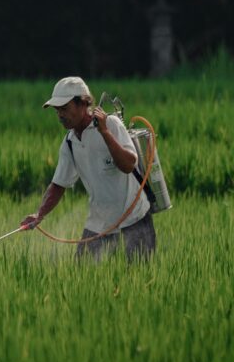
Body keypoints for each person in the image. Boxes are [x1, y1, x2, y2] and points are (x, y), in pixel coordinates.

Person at [19, 76, 156, 261]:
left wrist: (105, 133)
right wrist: (39, 214)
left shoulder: (112, 125)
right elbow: (58, 185)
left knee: (138, 279)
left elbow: (129, 165)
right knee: (82, 274)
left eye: (64, 109)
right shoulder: (70, 142)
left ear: (83, 104)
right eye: (57, 110)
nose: (60, 115)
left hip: (134, 219)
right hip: (99, 223)